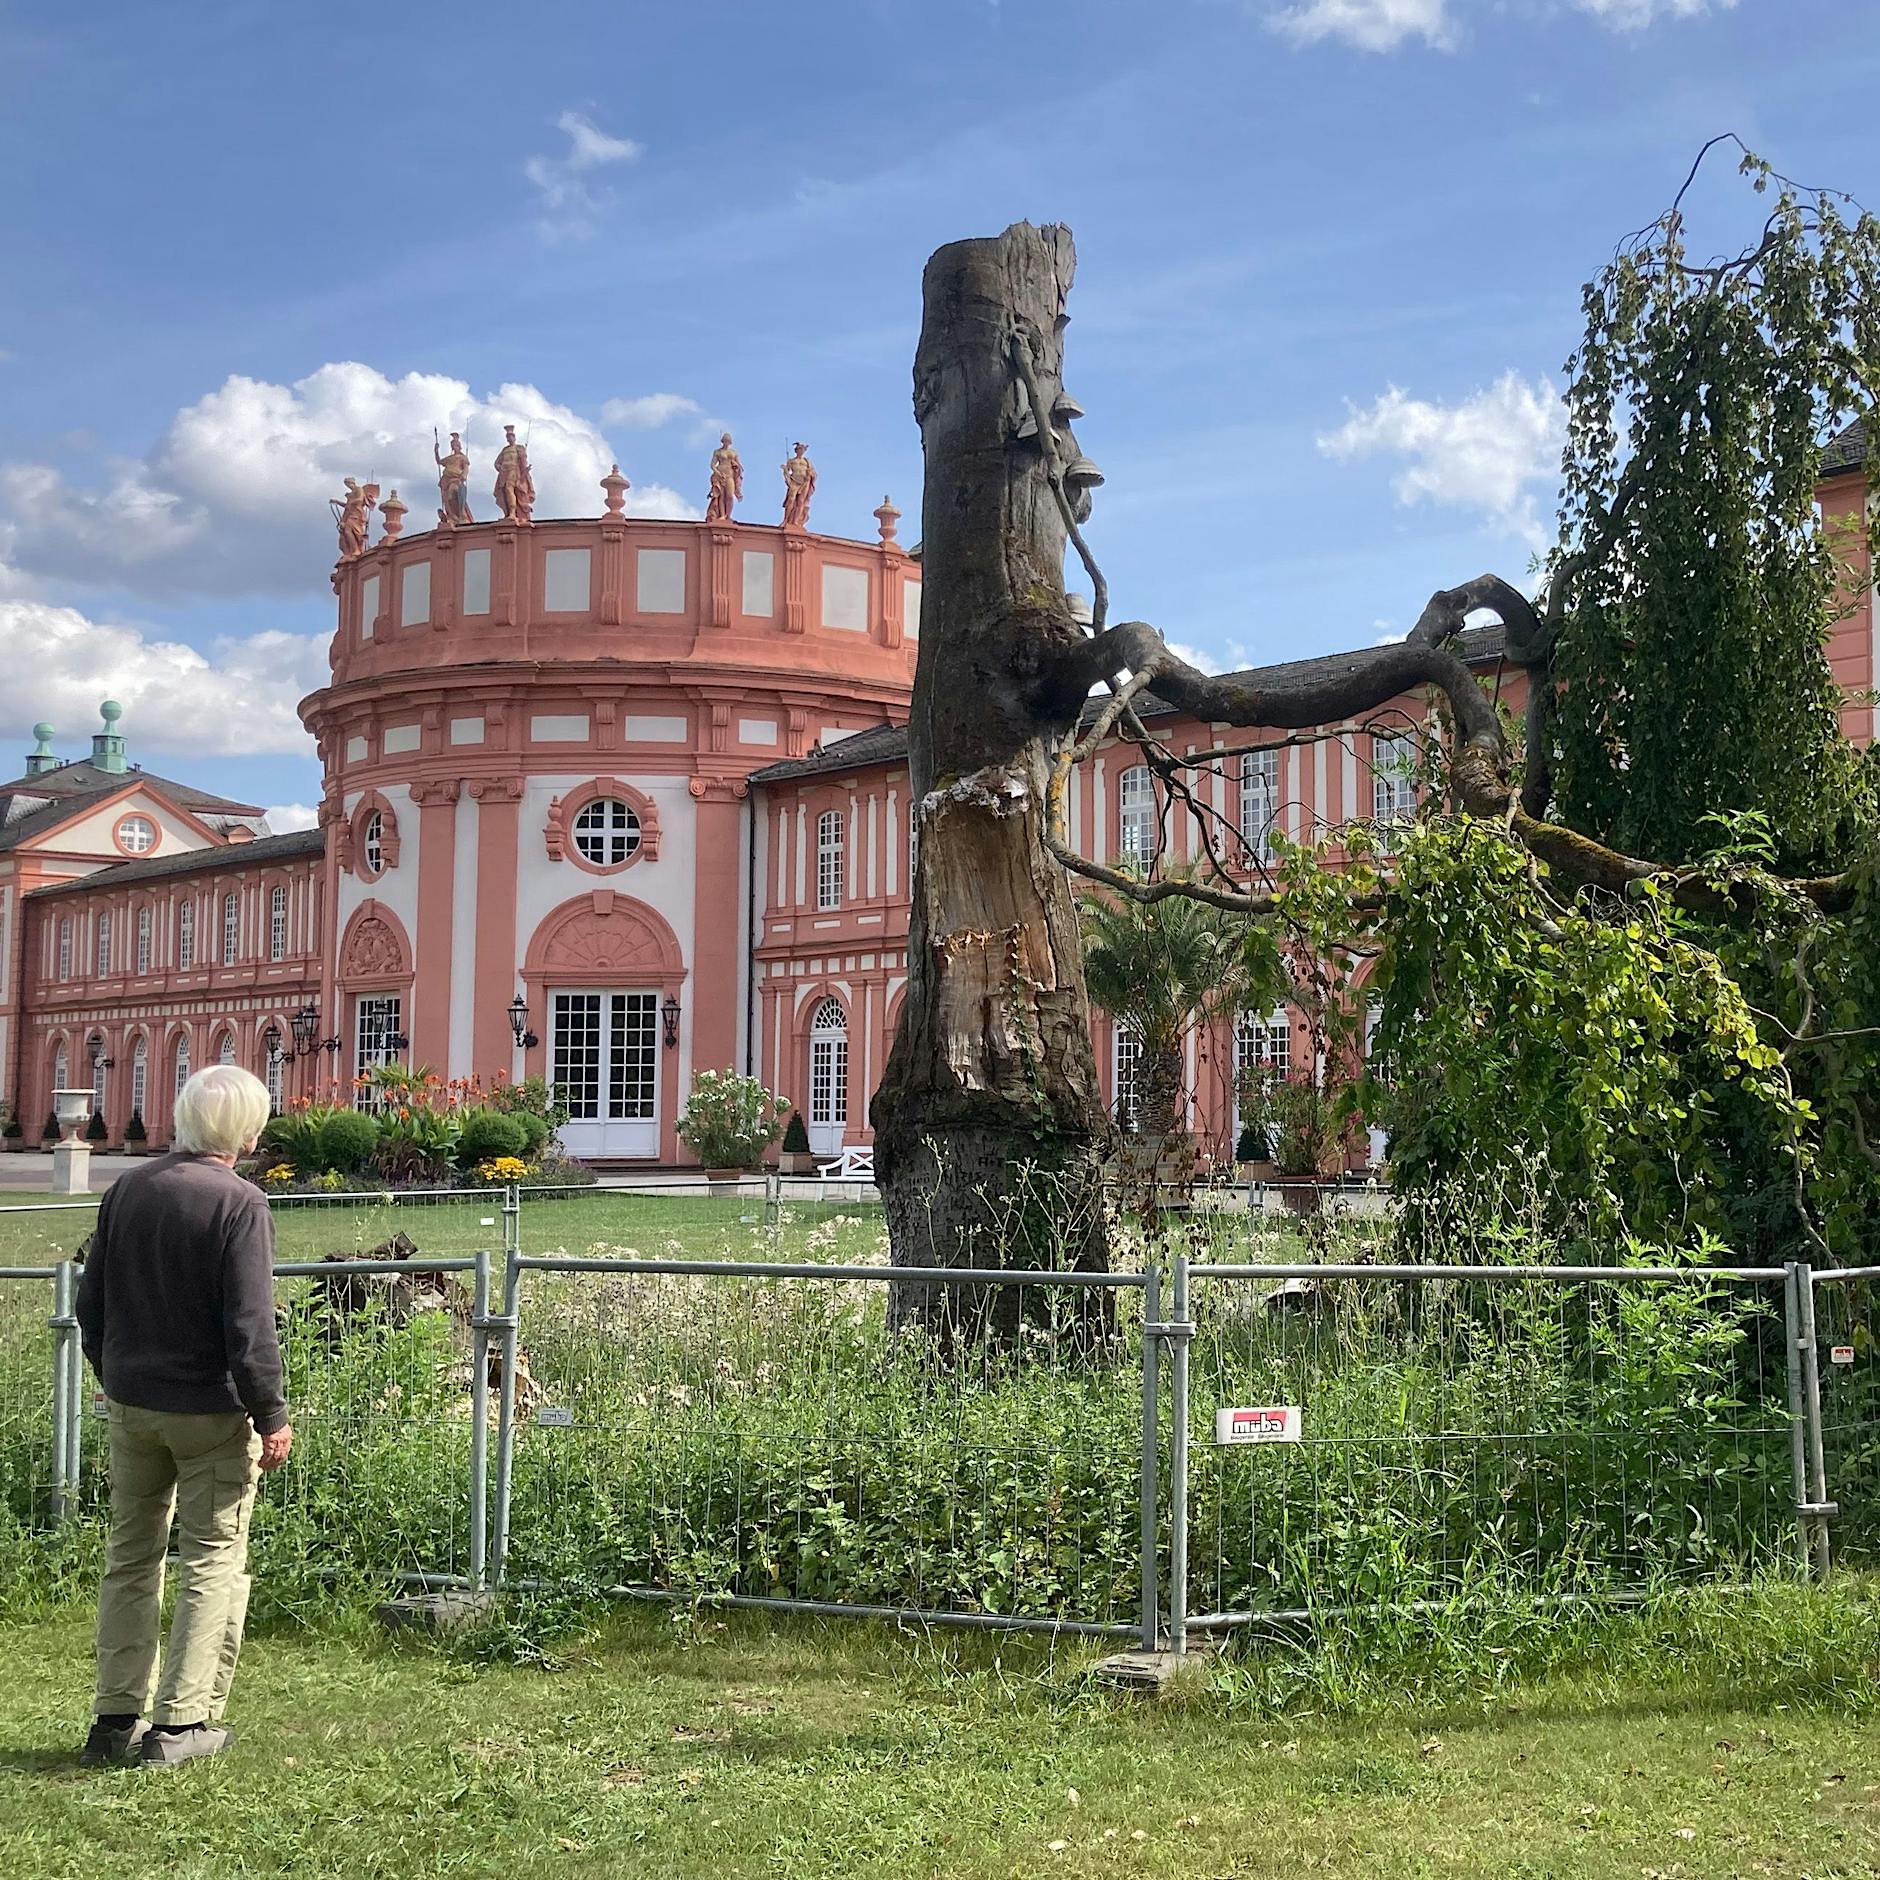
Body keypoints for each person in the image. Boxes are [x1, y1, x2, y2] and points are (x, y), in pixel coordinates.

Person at [75, 1064, 291, 1769]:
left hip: (133, 1402)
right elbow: (251, 1327)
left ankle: (113, 1719)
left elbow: (90, 1302)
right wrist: (272, 1416)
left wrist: (114, 1374)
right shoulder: (239, 1202)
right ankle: (181, 1723)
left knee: (130, 1557)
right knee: (210, 1559)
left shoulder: (129, 1188)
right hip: (209, 1410)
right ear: (246, 1130)